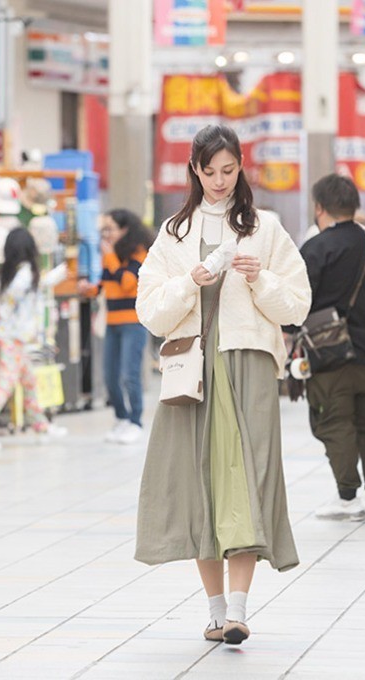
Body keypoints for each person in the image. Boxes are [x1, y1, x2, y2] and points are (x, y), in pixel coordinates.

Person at [135, 124, 310, 646]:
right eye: (209, 171)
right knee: (197, 482)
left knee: (247, 477)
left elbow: (296, 305)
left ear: (240, 167)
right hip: (191, 370)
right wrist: (191, 282)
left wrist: (260, 278)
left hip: (247, 365)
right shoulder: (175, 232)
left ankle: (237, 609)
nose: (219, 181)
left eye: (228, 170)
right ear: (194, 170)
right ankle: (215, 612)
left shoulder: (266, 228)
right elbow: (150, 311)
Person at [298, 175, 365, 521]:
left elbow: (298, 303)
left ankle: (347, 496)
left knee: (335, 423)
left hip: (329, 356)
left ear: (319, 207)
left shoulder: (315, 249)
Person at [0, 228, 67, 450]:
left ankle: (40, 424)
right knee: (5, 385)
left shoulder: (14, 273)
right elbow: (12, 303)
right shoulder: (27, 274)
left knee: (28, 381)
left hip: (11, 337)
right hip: (13, 338)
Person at [80, 208, 153, 445]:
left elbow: (127, 283)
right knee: (110, 375)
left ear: (125, 229)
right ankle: (121, 418)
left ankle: (135, 421)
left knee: (129, 374)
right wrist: (88, 290)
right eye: (104, 230)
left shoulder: (139, 253)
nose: (106, 235)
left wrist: (110, 256)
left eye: (110, 229)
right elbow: (104, 284)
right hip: (111, 322)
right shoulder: (110, 256)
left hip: (133, 322)